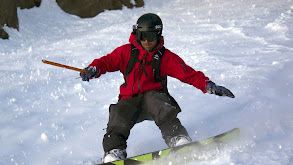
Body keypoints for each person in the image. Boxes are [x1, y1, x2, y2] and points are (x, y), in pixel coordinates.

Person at [80, 13, 235, 163]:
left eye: (151, 37)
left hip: (154, 101)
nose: (146, 41)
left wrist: (209, 86)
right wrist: (94, 69)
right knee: (119, 112)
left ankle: (177, 138)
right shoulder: (126, 52)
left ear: (158, 35)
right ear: (136, 35)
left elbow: (189, 74)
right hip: (130, 100)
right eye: (142, 36)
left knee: (157, 100)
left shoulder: (165, 57)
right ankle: (114, 151)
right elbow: (106, 62)